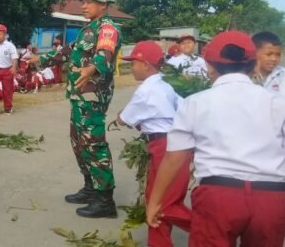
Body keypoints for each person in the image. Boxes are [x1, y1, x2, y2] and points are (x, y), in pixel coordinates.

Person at [146, 30, 285, 246]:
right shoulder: (277, 103)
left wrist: (155, 202)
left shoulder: (194, 103)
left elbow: (175, 159)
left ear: (210, 66)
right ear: (253, 64)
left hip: (219, 197)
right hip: (270, 197)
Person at [37, 0, 122, 218]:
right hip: (79, 95)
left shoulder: (107, 28)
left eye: (89, 2)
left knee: (94, 144)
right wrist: (40, 60)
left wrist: (92, 68)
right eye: (83, 1)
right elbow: (68, 51)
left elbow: (105, 53)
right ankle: (90, 188)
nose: (84, 5)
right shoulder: (89, 29)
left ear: (103, 5)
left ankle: (105, 200)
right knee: (79, 142)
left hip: (93, 96)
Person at [117, 41, 191, 247]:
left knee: (164, 205)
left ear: (145, 64)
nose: (131, 67)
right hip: (174, 144)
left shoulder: (145, 91)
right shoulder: (167, 85)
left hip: (165, 147)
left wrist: (117, 118)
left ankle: (213, 228)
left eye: (133, 63)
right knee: (154, 201)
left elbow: (125, 118)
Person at [251, 31, 284, 96]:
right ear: (254, 53)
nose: (274, 59)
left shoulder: (282, 75)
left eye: (278, 55)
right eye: (269, 54)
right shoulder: (245, 76)